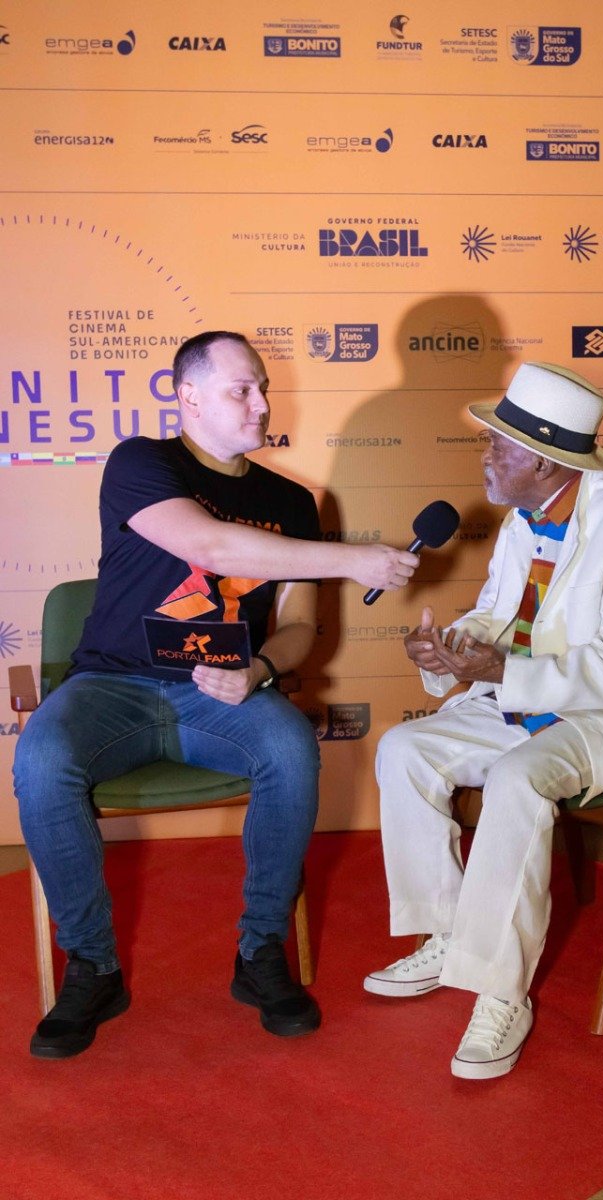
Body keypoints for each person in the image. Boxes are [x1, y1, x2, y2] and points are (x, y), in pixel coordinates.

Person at [14, 330, 418, 1060]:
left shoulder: (291, 501)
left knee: (290, 750)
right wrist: (353, 558)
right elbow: (210, 547)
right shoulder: (141, 462)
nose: (262, 404)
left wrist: (258, 670)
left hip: (221, 692)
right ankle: (93, 965)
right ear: (188, 396)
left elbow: (299, 626)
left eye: (263, 387)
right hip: (113, 684)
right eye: (242, 389)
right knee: (41, 760)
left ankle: (260, 952)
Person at [363, 362, 603, 1080]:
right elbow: (498, 614)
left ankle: (502, 991)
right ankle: (450, 936)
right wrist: (449, 650)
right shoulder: (521, 518)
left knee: (517, 778)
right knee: (405, 748)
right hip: (524, 700)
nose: (485, 456)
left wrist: (502, 669)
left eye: (497, 445)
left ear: (543, 461)